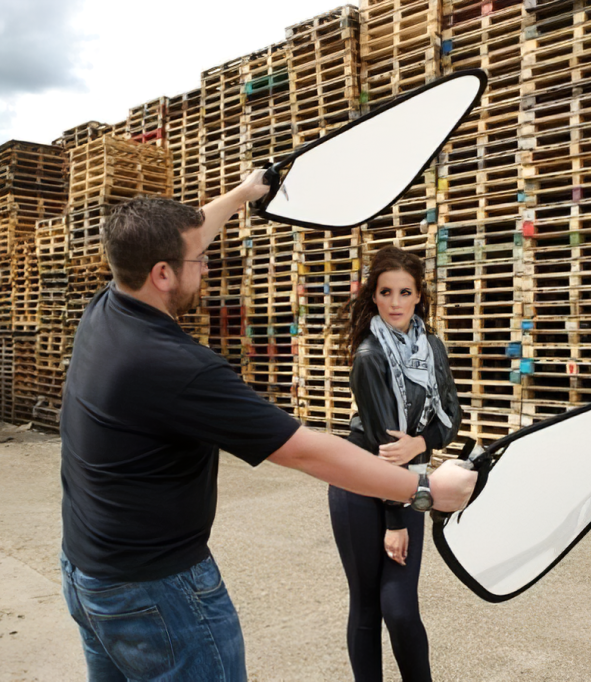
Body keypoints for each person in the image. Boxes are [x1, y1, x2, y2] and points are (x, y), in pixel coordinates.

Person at [58, 172, 477, 682]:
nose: (206, 265)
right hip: (158, 593)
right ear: (163, 274)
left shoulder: (106, 309)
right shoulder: (177, 367)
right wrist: (424, 489)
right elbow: (304, 451)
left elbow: (188, 233)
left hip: (89, 572)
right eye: (200, 259)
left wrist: (243, 194)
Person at [329, 246, 462, 682]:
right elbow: (387, 445)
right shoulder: (369, 355)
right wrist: (395, 520)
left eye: (405, 292)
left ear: (419, 295)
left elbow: (452, 415)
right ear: (374, 296)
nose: (395, 303)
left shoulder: (432, 347)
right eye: (385, 292)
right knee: (368, 606)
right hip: (360, 485)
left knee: (401, 609)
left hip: (409, 482)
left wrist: (422, 441)